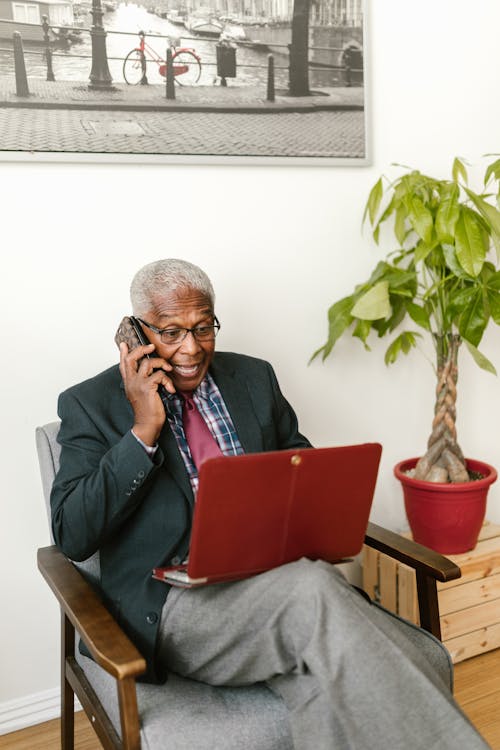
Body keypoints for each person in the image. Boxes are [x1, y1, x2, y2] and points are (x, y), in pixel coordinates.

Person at [51, 258, 489, 750]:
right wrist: (143, 430)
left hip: (275, 579)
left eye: (202, 327)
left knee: (320, 677)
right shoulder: (91, 403)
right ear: (137, 334)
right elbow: (72, 533)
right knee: (313, 588)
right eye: (171, 332)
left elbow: (301, 472)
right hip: (178, 605)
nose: (191, 348)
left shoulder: (254, 378)